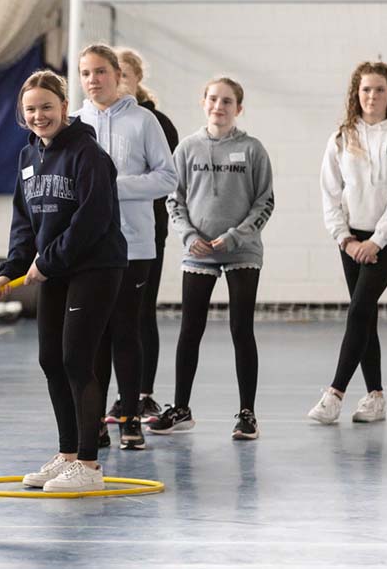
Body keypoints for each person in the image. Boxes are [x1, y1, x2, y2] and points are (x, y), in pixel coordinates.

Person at [0, 69, 126, 492]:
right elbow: (23, 220)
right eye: (30, 109)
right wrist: (10, 268)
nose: (39, 116)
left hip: (95, 267)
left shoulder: (88, 154)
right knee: (50, 359)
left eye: (47, 107)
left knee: (76, 360)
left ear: (65, 107)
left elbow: (93, 219)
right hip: (55, 268)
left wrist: (48, 262)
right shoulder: (27, 157)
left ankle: (88, 465)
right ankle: (67, 455)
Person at [149, 77, 274, 440]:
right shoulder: (187, 148)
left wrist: (235, 236)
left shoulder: (252, 149)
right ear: (203, 102)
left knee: (241, 329)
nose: (219, 106)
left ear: (239, 108)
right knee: (190, 328)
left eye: (227, 101)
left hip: (242, 251)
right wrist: (190, 236)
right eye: (214, 99)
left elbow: (264, 202)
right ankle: (181, 408)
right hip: (198, 253)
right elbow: (174, 199)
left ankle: (247, 414)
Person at [74, 44, 177, 451]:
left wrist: (113, 188)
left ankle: (130, 418)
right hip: (88, 250)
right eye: (85, 73)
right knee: (94, 336)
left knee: (125, 330)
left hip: (134, 246)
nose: (93, 80)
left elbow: (167, 178)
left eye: (100, 71)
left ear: (118, 75)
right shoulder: (75, 124)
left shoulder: (143, 121)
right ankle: (94, 421)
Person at [308, 61, 387, 425]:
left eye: (380, 90)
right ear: (356, 94)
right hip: (350, 240)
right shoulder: (342, 137)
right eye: (366, 90)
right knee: (366, 315)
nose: (372, 96)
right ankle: (375, 397)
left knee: (358, 310)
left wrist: (377, 241)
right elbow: (330, 193)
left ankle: (335, 393)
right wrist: (345, 238)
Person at [108, 46, 180, 425]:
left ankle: (142, 395)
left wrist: (116, 188)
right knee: (110, 317)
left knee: (140, 311)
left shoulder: (154, 122)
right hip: (105, 233)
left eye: (124, 74)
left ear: (137, 78)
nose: (117, 80)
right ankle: (118, 396)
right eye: (112, 73)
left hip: (146, 231)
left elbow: (166, 178)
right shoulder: (95, 121)